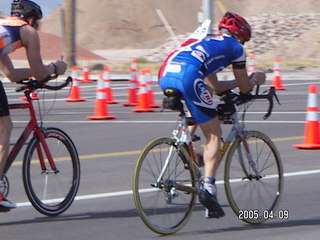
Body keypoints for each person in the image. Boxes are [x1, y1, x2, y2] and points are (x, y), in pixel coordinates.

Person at [158, 12, 266, 218]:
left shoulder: (207, 43)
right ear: (240, 37)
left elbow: (215, 87)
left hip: (165, 73)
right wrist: (254, 80)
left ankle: (187, 148)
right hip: (188, 74)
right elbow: (245, 88)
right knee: (214, 135)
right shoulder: (236, 48)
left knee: (200, 104)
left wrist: (234, 84)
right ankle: (209, 189)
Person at [0, 0, 67, 210]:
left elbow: (11, 74)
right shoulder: (28, 31)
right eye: (38, 22)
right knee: (5, 128)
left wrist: (36, 72)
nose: (37, 26)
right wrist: (56, 67)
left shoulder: (3, 28)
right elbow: (39, 72)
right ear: (31, 19)